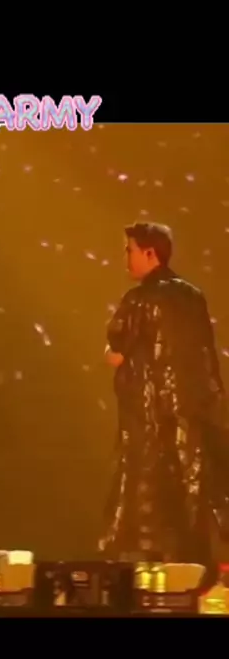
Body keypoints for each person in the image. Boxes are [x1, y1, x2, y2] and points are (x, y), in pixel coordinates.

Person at [100, 221, 229, 591]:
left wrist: (114, 355)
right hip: (192, 420)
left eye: (129, 250)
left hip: (149, 423)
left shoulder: (138, 300)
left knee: (148, 505)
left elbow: (116, 352)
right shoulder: (194, 298)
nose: (125, 258)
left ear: (149, 253)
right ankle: (195, 581)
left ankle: (152, 587)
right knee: (190, 502)